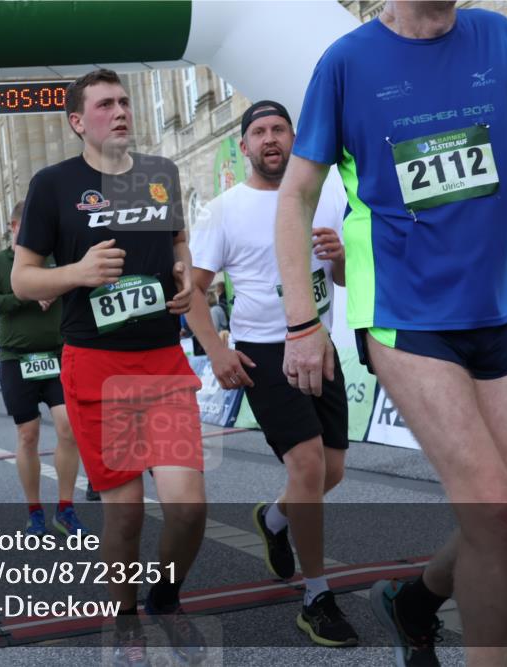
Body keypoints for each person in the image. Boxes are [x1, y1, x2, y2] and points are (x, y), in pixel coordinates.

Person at [277, 3, 507, 666]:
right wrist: (302, 321)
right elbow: (297, 193)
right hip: (402, 312)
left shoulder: (496, 35)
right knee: (493, 516)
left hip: (491, 307)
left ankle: (414, 600)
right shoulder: (347, 62)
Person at [12, 68, 206, 666]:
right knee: (123, 517)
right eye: (104, 105)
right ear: (78, 121)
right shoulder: (52, 185)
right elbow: (23, 278)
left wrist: (182, 281)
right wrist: (77, 273)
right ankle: (126, 621)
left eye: (124, 102)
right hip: (97, 366)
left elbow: (179, 248)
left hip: (163, 362)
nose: (120, 111)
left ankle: (165, 595)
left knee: (188, 507)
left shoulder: (160, 174)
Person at [188, 100, 357, 648]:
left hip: (321, 343)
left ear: (293, 136)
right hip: (264, 352)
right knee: (307, 465)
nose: (269, 139)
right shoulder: (223, 210)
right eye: (258, 132)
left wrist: (338, 258)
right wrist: (216, 351)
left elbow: (348, 271)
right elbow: (192, 289)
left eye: (278, 129)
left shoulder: (326, 190)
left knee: (331, 472)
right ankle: (317, 595)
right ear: (244, 147)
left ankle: (276, 518)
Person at [0, 199, 90, 535]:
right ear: (14, 228)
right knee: (28, 435)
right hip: (17, 358)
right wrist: (26, 294)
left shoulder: (55, 259)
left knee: (69, 427)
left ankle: (66, 509)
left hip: (58, 354)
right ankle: (35, 510)